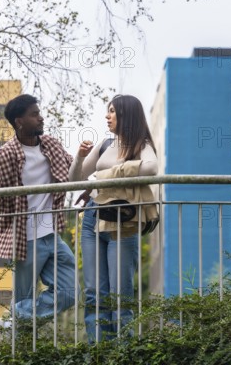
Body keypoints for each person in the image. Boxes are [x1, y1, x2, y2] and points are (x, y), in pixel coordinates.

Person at [0, 94, 75, 329]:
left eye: (39, 113)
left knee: (69, 293)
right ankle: (19, 347)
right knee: (25, 298)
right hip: (24, 239)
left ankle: (7, 322)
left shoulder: (52, 146)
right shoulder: (5, 154)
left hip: (51, 234)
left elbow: (73, 167)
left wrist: (87, 160)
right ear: (19, 122)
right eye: (34, 114)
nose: (41, 118)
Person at [69, 94, 158, 343]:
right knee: (94, 292)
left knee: (120, 294)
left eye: (112, 112)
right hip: (92, 217)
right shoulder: (105, 144)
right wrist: (79, 156)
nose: (107, 116)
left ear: (126, 115)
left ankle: (123, 351)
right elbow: (74, 180)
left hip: (123, 222)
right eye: (107, 111)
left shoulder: (141, 144)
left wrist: (105, 175)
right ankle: (98, 350)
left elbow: (151, 168)